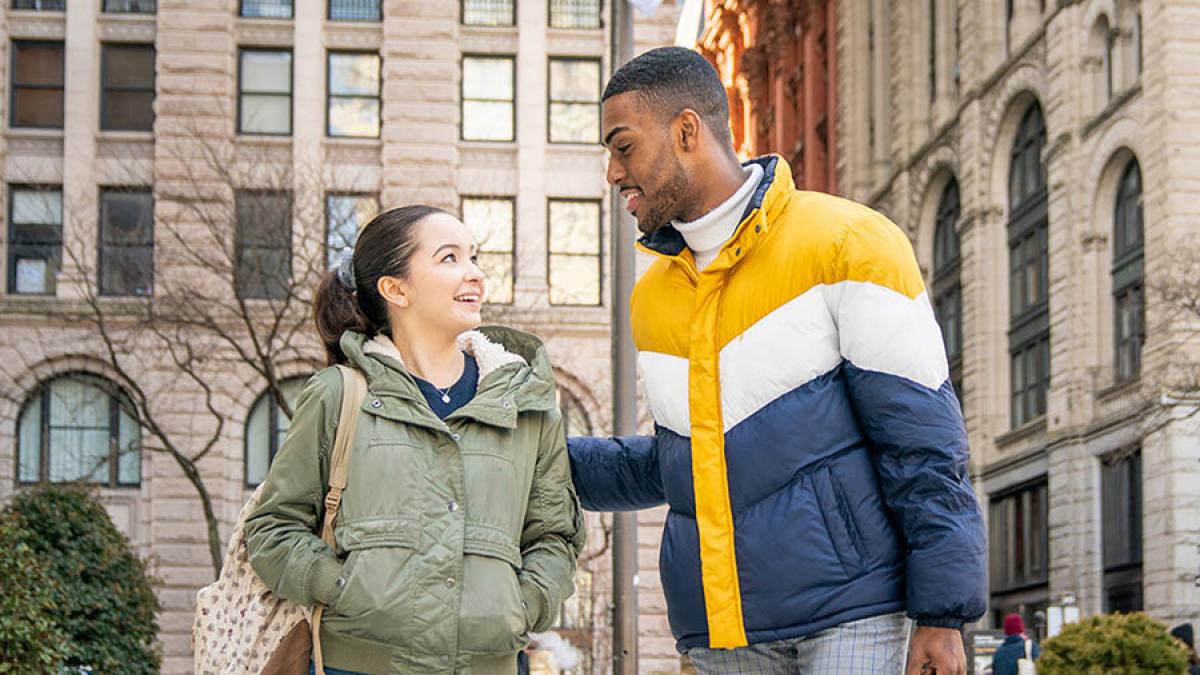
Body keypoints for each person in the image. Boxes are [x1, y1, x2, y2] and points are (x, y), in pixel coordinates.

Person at [567, 47, 987, 674]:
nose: (612, 173)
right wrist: (541, 455)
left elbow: (923, 445)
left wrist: (942, 613)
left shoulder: (849, 242)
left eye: (622, 147)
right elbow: (682, 462)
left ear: (687, 131)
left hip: (856, 615)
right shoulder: (653, 294)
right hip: (720, 633)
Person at [244, 205, 585, 674]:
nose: (475, 275)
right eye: (449, 259)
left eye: (474, 258)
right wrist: (344, 588)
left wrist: (523, 605)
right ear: (395, 288)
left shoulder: (525, 401)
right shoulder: (339, 395)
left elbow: (554, 536)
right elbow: (272, 529)